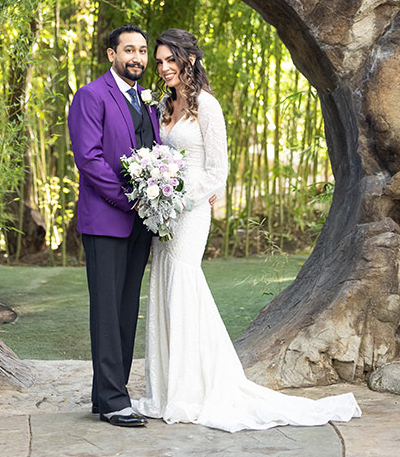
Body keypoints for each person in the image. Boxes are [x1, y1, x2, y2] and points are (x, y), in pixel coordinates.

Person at [132, 28, 361, 431]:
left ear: (189, 60)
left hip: (190, 210)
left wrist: (182, 198)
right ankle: (167, 390)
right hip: (164, 213)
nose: (164, 68)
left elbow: (218, 170)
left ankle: (193, 391)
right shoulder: (165, 106)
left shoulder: (208, 106)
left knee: (184, 282)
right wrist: (158, 194)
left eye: (171, 60)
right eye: (160, 61)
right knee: (165, 287)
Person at [68, 24, 160, 428]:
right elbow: (89, 159)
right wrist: (128, 199)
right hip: (106, 218)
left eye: (142, 50)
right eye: (129, 50)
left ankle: (106, 393)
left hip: (142, 221)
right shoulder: (91, 96)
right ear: (111, 54)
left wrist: (158, 197)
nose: (137, 57)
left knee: (125, 310)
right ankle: (114, 400)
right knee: (107, 310)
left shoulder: (148, 102)